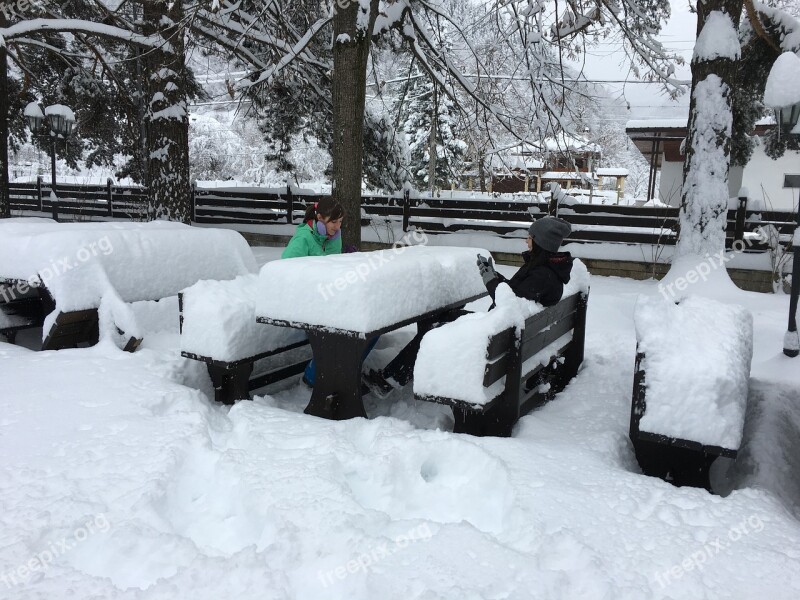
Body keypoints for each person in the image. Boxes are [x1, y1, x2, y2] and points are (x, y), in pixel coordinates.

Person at [477, 216, 574, 307]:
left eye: (530, 237)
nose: (526, 241)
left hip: (500, 323)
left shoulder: (542, 275)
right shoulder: (544, 269)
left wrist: (490, 282)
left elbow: (509, 304)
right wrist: (496, 277)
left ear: (540, 242)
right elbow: (517, 291)